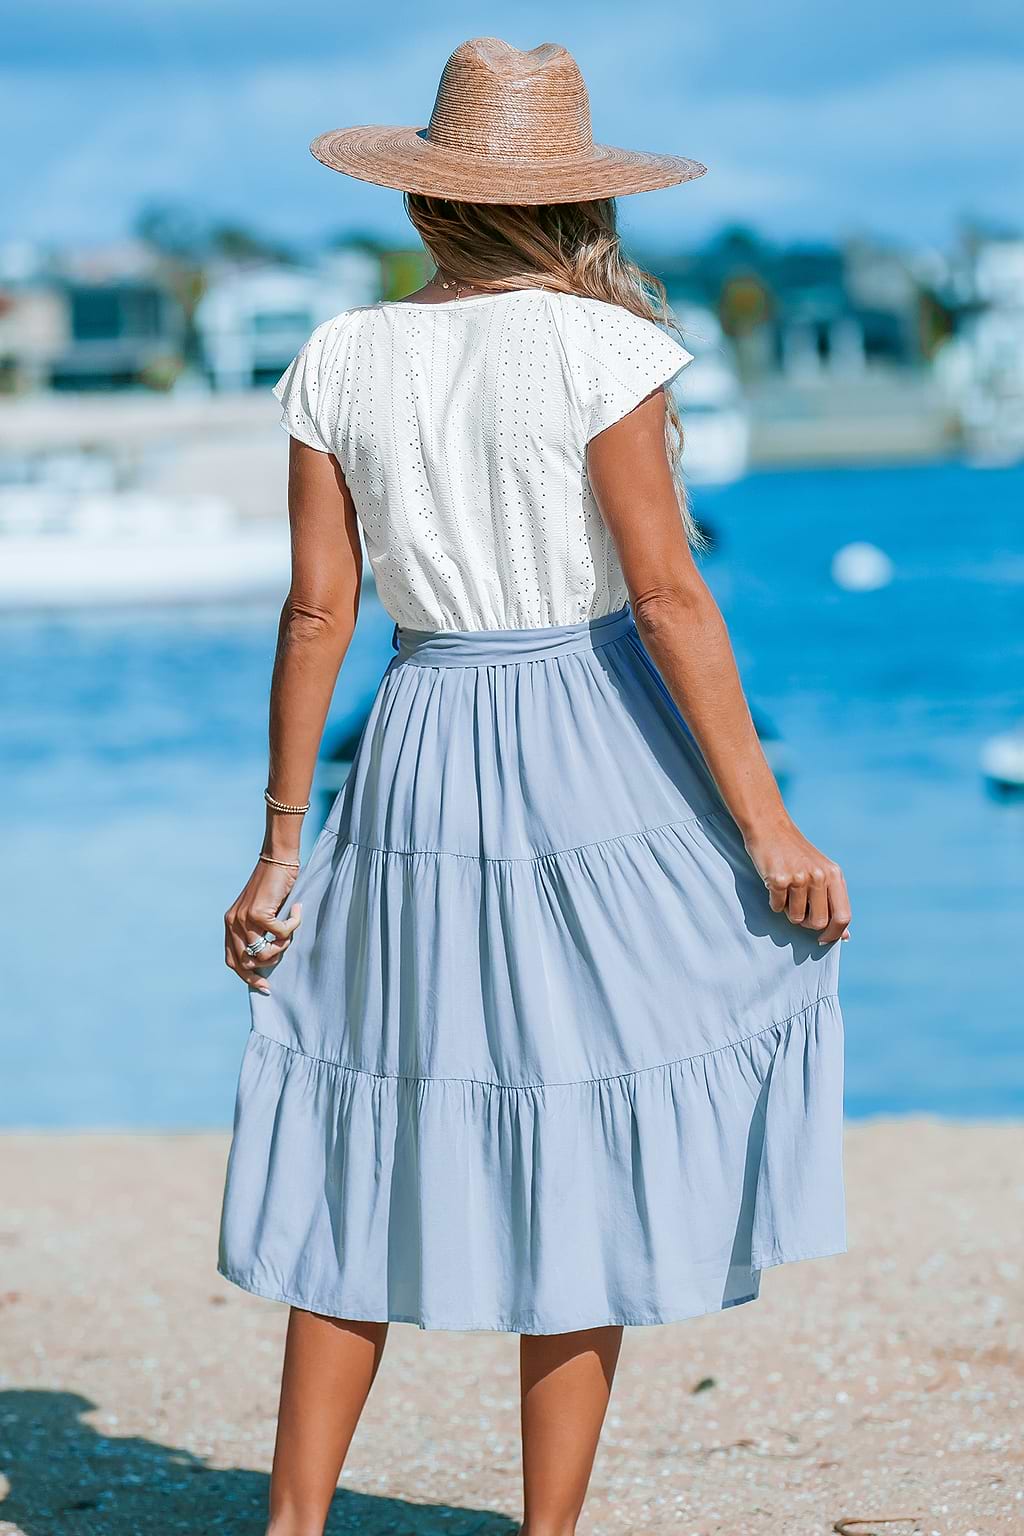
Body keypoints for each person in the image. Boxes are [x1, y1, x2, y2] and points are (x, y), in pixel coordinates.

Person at [218, 37, 850, 1536]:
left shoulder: (340, 354)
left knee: (368, 1105)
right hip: (592, 738)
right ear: (575, 206)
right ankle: (545, 1533)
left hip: (421, 736)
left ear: (431, 204)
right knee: (585, 1115)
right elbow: (670, 597)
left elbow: (320, 614)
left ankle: (294, 1523)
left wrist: (277, 850)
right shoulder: (605, 350)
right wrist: (767, 826)